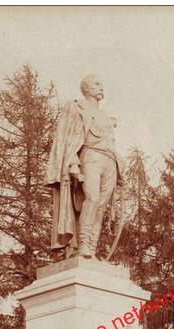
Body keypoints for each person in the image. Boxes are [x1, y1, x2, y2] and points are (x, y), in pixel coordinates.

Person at [45, 73, 124, 259]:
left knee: (101, 205)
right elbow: (70, 137)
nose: (101, 87)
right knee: (92, 198)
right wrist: (72, 162)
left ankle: (91, 248)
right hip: (91, 156)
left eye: (101, 84)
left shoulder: (106, 116)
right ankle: (83, 245)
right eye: (97, 84)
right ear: (86, 88)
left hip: (109, 160)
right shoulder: (77, 107)